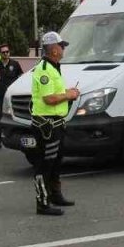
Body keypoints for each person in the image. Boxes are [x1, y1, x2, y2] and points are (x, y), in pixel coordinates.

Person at [29, 32, 79, 215]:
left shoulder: (54, 67)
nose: (64, 48)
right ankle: (42, 203)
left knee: (56, 162)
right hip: (46, 126)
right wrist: (69, 95)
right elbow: (49, 98)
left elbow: (54, 93)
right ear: (54, 49)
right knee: (44, 165)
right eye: (61, 46)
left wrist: (67, 92)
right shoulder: (44, 69)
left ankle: (55, 195)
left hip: (56, 123)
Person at [0, 44, 23, 149]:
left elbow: (21, 77)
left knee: (14, 117)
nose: (6, 53)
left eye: (7, 51)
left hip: (11, 96)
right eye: (3, 52)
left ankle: (17, 138)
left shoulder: (15, 64)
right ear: (0, 53)